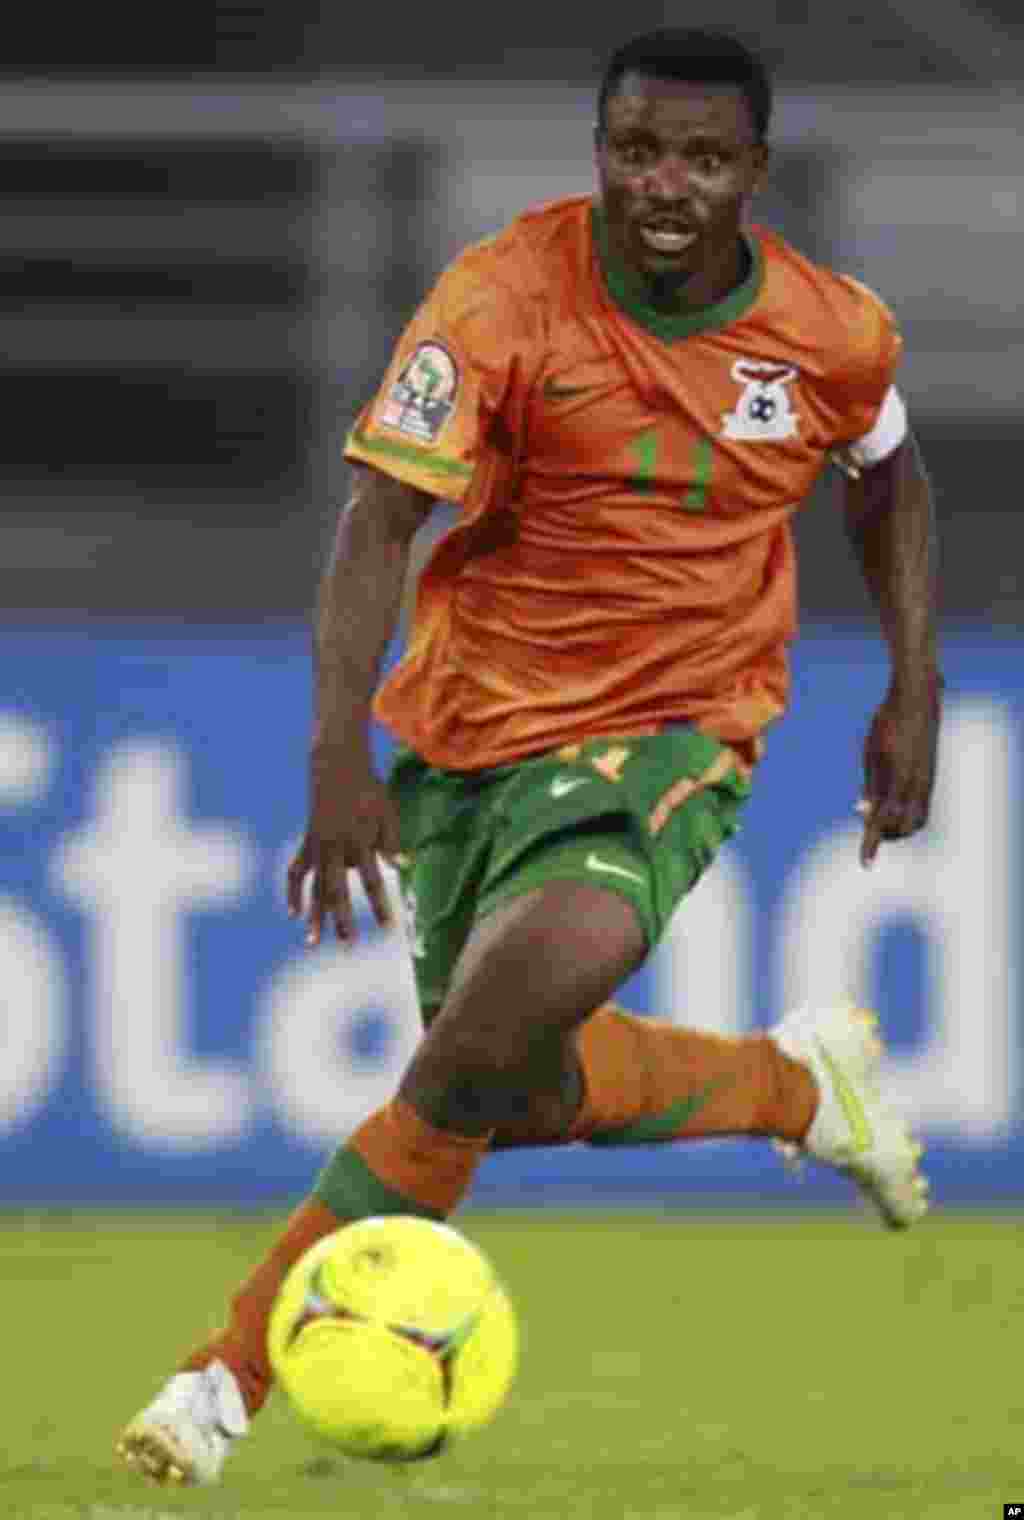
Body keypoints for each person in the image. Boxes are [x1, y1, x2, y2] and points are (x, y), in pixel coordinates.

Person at [117, 27, 940, 1486]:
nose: (665, 184)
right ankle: (794, 1090)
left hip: (679, 725)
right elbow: (377, 520)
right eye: (636, 151)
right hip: (472, 727)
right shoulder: (499, 300)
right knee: (499, 1075)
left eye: (701, 157)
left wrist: (912, 683)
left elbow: (886, 473)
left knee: (473, 1051)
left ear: (753, 169)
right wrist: (336, 755)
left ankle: (224, 1380)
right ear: (601, 155)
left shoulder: (828, 330)